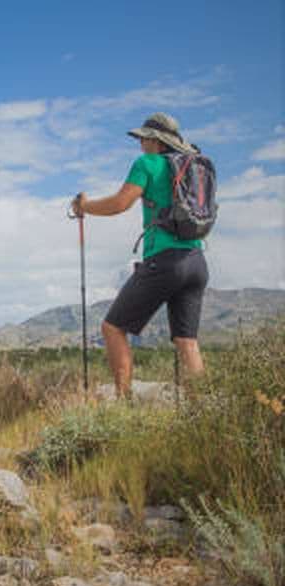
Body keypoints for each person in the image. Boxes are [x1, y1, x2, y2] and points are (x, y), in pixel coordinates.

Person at [72, 112, 209, 397]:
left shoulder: (147, 163)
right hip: (197, 261)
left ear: (156, 140)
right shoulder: (191, 166)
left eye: (143, 138)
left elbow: (120, 203)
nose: (140, 144)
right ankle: (203, 411)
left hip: (165, 260)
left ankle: (124, 403)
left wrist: (85, 207)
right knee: (187, 340)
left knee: (112, 328)